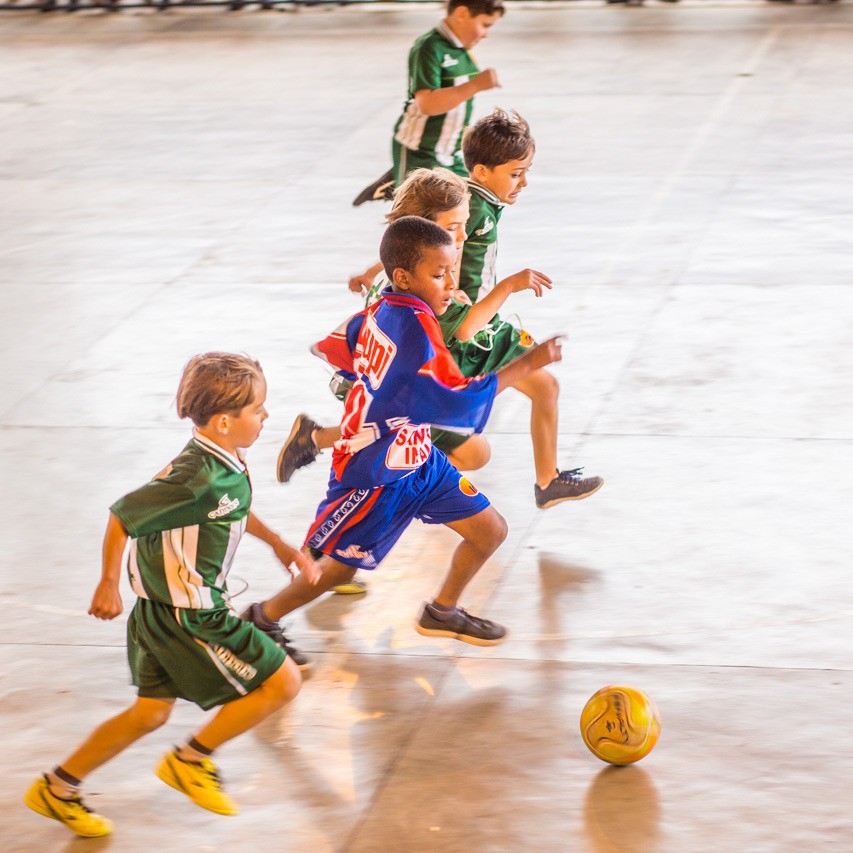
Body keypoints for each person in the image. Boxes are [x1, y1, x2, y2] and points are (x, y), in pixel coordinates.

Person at [24, 353, 320, 838]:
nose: (267, 416)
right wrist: (107, 582)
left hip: (160, 613)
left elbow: (234, 509)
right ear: (226, 422)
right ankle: (191, 761)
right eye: (259, 409)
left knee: (149, 713)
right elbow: (123, 515)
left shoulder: (223, 463)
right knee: (283, 682)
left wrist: (281, 545)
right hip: (192, 614)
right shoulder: (197, 477)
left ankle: (57, 788)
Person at [243, 217, 562, 649]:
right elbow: (454, 398)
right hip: (373, 473)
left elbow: (345, 341)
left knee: (491, 531)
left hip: (418, 457)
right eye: (439, 274)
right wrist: (526, 364)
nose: (451, 283)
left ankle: (441, 611)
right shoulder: (416, 331)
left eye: (452, 270)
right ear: (403, 276)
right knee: (337, 572)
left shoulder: (385, 307)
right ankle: (262, 618)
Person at [286, 115, 604, 509]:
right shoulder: (435, 283)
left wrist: (375, 271)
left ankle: (544, 482)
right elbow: (464, 330)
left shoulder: (458, 211)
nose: (464, 235)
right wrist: (506, 287)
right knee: (429, 435)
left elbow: (408, 242)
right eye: (517, 174)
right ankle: (386, 475)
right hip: (456, 337)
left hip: (461, 327)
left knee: (535, 391)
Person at [352, 0, 504, 206]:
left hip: (449, 152)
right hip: (420, 151)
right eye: (485, 25)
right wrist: (475, 85)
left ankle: (396, 182)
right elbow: (427, 104)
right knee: (424, 214)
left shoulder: (463, 50)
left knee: (473, 204)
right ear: (461, 14)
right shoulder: (429, 47)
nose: (486, 34)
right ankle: (397, 185)